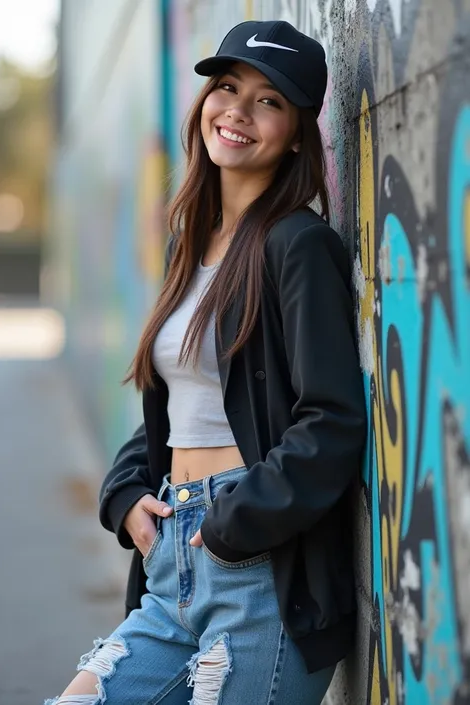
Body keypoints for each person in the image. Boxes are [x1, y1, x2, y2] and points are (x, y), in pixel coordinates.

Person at [45, 19, 367, 705]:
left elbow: (330, 422)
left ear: (297, 130)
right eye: (227, 88)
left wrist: (229, 524)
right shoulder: (188, 245)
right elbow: (174, 408)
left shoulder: (298, 246)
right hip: (172, 562)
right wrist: (127, 492)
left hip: (257, 568)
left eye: (269, 100)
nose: (238, 112)